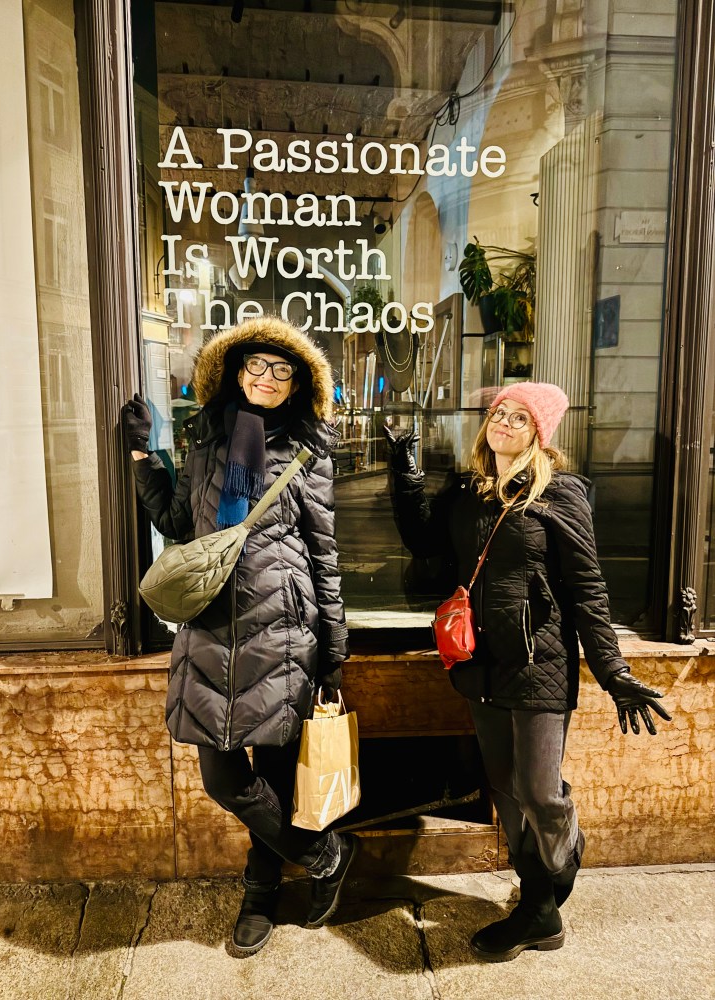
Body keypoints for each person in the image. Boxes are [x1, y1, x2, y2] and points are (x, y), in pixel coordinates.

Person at [384, 382, 671, 963]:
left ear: (541, 433)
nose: (506, 424)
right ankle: (539, 908)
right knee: (506, 793)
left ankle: (560, 855)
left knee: (540, 791)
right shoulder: (470, 492)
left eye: (521, 418)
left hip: (540, 663)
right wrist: (404, 466)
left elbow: (588, 591)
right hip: (479, 666)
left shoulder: (560, 494)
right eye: (500, 413)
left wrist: (613, 672)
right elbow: (422, 539)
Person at [124, 317, 357, 956]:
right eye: (256, 367)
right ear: (234, 373)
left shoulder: (308, 451)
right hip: (210, 622)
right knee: (224, 780)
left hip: (283, 630)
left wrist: (334, 648)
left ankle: (260, 893)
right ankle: (324, 856)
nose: (266, 379)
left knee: (276, 779)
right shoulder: (208, 442)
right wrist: (145, 459)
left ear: (298, 384)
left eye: (281, 371)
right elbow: (178, 522)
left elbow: (324, 552)